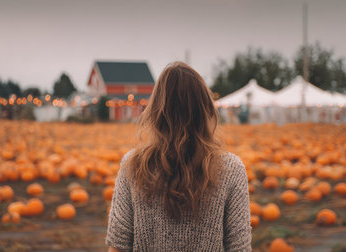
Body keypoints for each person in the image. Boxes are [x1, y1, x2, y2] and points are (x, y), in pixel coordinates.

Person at [106, 61, 252, 251]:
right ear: (205, 108)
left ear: (156, 111)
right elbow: (239, 248)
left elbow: (118, 247)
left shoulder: (133, 165)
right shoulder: (231, 169)